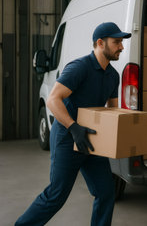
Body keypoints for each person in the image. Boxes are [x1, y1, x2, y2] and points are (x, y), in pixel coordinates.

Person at [16, 22, 131, 226]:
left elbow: (111, 112)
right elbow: (53, 99)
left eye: (121, 42)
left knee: (106, 193)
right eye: (117, 42)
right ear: (100, 43)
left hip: (92, 140)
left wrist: (119, 137)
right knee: (56, 195)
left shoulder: (113, 76)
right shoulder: (80, 68)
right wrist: (73, 127)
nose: (121, 47)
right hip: (68, 137)